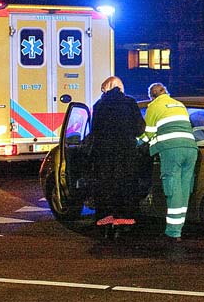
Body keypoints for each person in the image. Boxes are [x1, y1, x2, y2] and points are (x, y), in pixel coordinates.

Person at [138, 82, 198, 244]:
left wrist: (136, 142)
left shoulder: (153, 107)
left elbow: (149, 133)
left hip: (172, 151)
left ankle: (173, 232)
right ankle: (179, 227)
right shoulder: (179, 104)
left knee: (173, 190)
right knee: (184, 189)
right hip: (191, 149)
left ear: (152, 96)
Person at [85, 76, 146, 230]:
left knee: (105, 185)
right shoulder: (130, 103)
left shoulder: (98, 105)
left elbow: (94, 132)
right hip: (126, 154)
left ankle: (105, 219)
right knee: (125, 184)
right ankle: (124, 219)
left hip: (103, 155)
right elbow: (140, 129)